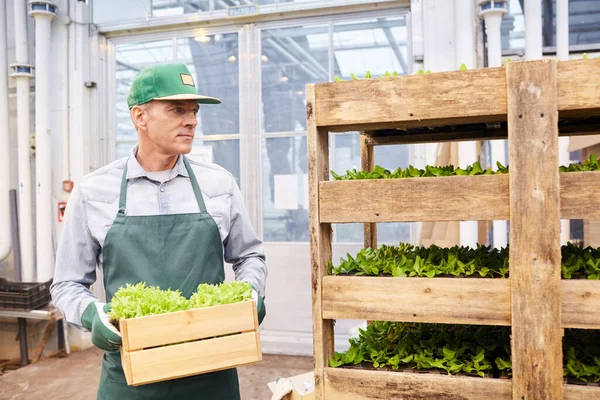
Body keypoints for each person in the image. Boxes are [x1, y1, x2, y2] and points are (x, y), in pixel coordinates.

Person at [50, 62, 267, 399]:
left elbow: (249, 256)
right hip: (131, 375)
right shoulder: (94, 191)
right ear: (140, 117)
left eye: (194, 111)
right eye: (177, 110)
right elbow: (67, 282)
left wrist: (251, 294)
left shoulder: (218, 184)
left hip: (211, 370)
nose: (192, 120)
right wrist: (93, 315)